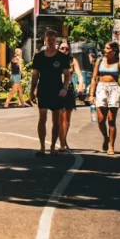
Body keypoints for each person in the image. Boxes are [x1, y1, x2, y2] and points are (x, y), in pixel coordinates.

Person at [29, 29, 72, 157]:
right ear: (45, 41)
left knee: (56, 121)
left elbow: (67, 75)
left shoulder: (62, 57)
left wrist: (65, 88)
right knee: (42, 119)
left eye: (53, 40)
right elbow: (35, 75)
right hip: (43, 90)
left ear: (56, 41)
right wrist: (32, 91)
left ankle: (53, 146)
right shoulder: (38, 56)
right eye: (49, 40)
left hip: (57, 91)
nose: (51, 42)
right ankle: (42, 147)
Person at [90, 40, 120, 155]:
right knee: (101, 119)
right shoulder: (100, 61)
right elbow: (94, 78)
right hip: (101, 88)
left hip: (114, 88)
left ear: (113, 50)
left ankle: (111, 145)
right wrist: (91, 94)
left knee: (111, 120)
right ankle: (105, 137)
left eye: (107, 48)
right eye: (105, 48)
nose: (105, 50)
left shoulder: (117, 61)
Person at [56, 41, 85, 153]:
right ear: (58, 49)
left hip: (69, 90)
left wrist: (81, 85)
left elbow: (79, 75)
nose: (64, 51)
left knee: (67, 118)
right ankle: (62, 142)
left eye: (67, 49)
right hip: (57, 89)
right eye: (62, 48)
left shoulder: (72, 61)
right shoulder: (55, 60)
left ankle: (64, 139)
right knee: (60, 118)